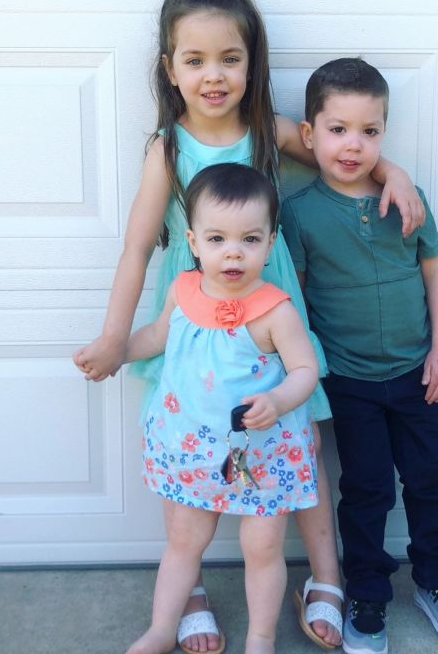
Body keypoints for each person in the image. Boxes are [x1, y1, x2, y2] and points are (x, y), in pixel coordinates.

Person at [73, 0, 425, 651]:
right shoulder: (167, 148)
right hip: (195, 317)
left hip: (268, 315)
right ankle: (190, 587)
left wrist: (395, 175)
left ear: (251, 64)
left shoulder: (267, 131)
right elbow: (138, 247)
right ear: (169, 69)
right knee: (191, 447)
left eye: (230, 59)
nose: (214, 75)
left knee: (299, 442)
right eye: (195, 59)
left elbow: (343, 152)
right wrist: (116, 336)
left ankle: (325, 575)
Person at [280, 58, 438, 654]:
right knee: (367, 490)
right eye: (339, 129)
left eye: (370, 131)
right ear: (310, 134)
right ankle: (366, 594)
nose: (354, 144)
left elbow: (435, 271)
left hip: (418, 374)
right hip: (350, 381)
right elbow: (293, 297)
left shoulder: (406, 197)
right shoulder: (299, 213)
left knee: (430, 482)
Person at [120, 163, 320, 654]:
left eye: (250, 240)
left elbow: (305, 372)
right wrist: (116, 349)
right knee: (184, 542)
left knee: (263, 547)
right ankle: (163, 628)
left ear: (270, 243)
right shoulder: (183, 293)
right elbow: (155, 337)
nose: (233, 252)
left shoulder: (276, 310)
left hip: (260, 453)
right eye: (217, 239)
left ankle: (261, 637)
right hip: (190, 446)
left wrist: (277, 399)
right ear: (193, 241)